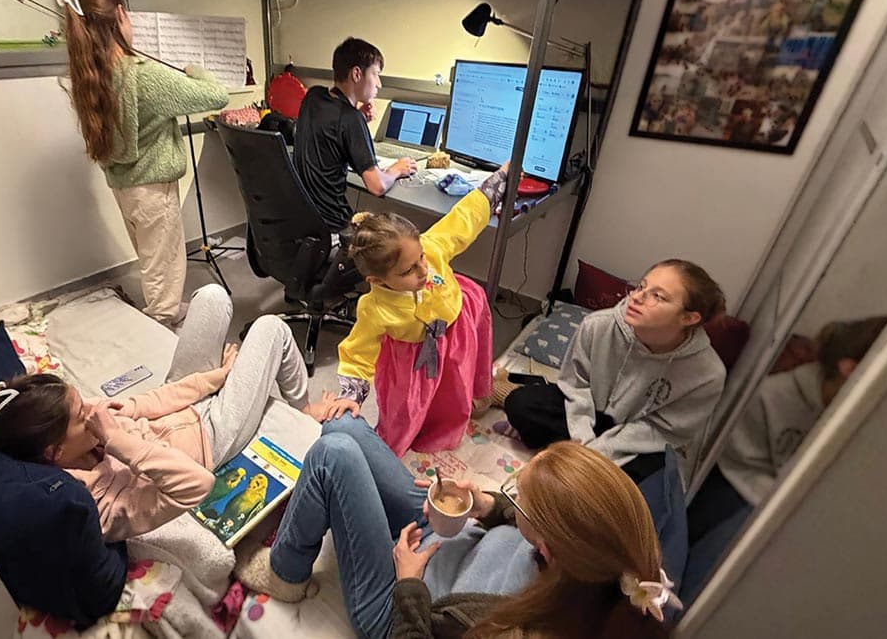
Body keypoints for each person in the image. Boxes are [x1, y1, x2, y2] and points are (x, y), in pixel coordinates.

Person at [235, 415, 678, 639]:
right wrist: (487, 506)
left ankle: (284, 573)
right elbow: (533, 521)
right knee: (343, 425)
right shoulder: (606, 554)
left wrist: (408, 582)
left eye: (519, 498)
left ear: (550, 547)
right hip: (452, 542)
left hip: (400, 605)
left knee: (334, 455)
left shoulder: (518, 630)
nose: (511, 497)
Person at [0, 285, 318, 540]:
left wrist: (215, 378)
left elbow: (152, 400)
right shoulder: (100, 506)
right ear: (55, 454)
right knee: (270, 328)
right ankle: (306, 412)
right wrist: (116, 438)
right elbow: (197, 485)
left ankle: (246, 386)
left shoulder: (81, 431)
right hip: (212, 434)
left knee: (211, 297)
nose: (95, 411)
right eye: (83, 414)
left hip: (184, 409)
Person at [59, 0, 229, 327]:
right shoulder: (143, 75)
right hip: (152, 190)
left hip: (124, 187)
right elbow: (217, 96)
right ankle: (160, 327)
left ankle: (161, 310)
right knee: (164, 267)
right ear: (120, 14)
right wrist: (194, 70)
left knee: (152, 261)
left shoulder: (91, 74)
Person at [324, 167, 508, 457]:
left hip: (457, 326)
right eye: (408, 270)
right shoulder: (374, 308)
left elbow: (464, 220)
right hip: (411, 356)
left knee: (457, 384)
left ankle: (479, 396)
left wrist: (501, 178)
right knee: (407, 406)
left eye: (421, 257)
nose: (423, 270)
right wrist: (351, 396)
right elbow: (357, 353)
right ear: (377, 281)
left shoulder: (430, 249)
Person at [492, 260, 728, 483]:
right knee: (522, 403)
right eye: (641, 287)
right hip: (588, 414)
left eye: (658, 296)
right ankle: (576, 462)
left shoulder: (708, 375)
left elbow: (663, 431)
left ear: (689, 317)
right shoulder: (598, 326)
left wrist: (598, 453)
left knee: (650, 481)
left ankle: (575, 463)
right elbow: (575, 385)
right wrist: (582, 441)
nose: (638, 297)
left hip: (639, 439)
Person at [687, 315, 887, 544]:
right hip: (729, 485)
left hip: (760, 493)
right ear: (849, 370)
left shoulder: (844, 411)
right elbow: (743, 467)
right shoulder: (775, 396)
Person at [294, 37, 417, 233]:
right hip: (333, 225)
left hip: (301, 220)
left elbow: (330, 130)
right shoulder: (350, 119)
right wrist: (397, 169)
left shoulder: (313, 96)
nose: (379, 84)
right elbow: (377, 186)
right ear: (357, 74)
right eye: (376, 74)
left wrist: (358, 116)